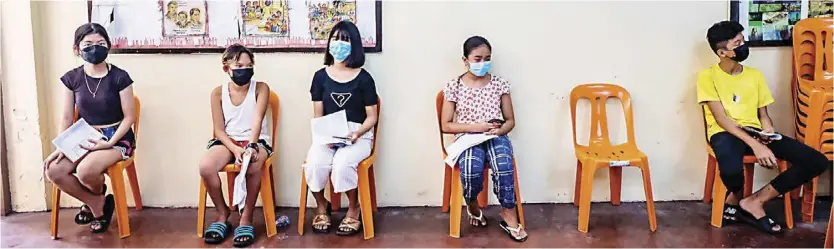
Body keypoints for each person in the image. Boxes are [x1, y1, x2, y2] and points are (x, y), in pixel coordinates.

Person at [698, 20, 830, 234]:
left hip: (754, 132)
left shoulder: (754, 75)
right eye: (737, 43)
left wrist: (767, 131)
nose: (743, 46)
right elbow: (721, 119)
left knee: (815, 161)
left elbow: (763, 115)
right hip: (725, 132)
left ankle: (754, 201)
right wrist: (756, 146)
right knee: (731, 170)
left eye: (743, 40)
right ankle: (735, 199)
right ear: (722, 53)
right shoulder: (707, 77)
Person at [43, 23, 136, 234]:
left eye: (100, 43)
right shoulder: (72, 78)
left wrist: (110, 142)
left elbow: (129, 117)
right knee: (53, 169)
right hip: (83, 134)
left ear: (109, 46)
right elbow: (67, 117)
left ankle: (95, 203)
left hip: (116, 136)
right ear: (77, 49)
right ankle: (96, 202)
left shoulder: (120, 77)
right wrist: (61, 147)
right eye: (88, 44)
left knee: (86, 170)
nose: (95, 48)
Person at [440, 36, 528, 242]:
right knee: (471, 169)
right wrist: (477, 127)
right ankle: (471, 203)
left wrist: (499, 131)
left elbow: (510, 120)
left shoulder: (499, 84)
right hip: (468, 138)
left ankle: (508, 212)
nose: (483, 63)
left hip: (495, 136)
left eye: (487, 58)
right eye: (477, 58)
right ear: (465, 60)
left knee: (504, 164)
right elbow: (446, 125)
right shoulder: (454, 86)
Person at [303, 20, 378, 236]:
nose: (339, 44)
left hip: (358, 135)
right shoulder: (320, 77)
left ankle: (354, 208)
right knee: (315, 164)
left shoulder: (364, 79)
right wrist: (324, 135)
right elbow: (318, 115)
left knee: (343, 164)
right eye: (335, 39)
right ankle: (321, 205)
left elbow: (372, 116)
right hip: (327, 133)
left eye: (345, 40)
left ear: (354, 45)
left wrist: (357, 133)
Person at [198, 44, 272, 247]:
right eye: (239, 65)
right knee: (206, 167)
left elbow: (257, 120)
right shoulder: (217, 93)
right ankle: (223, 213)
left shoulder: (261, 88)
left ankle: (246, 218)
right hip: (228, 141)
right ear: (226, 68)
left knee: (254, 165)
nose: (244, 70)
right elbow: (219, 130)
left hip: (256, 141)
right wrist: (235, 149)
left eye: (249, 65)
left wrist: (251, 146)